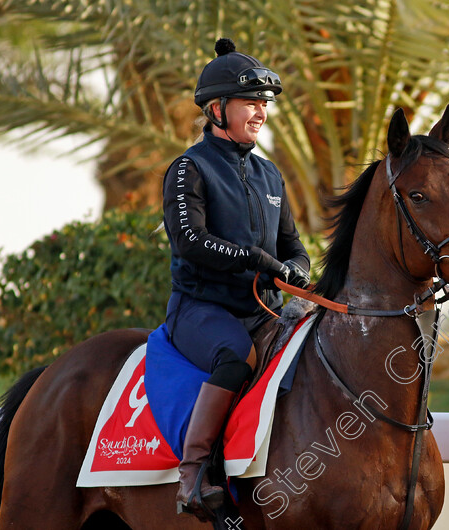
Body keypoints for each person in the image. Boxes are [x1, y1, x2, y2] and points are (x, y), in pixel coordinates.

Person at [162, 37, 310, 518]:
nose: (261, 112)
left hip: (262, 309)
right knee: (235, 355)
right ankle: (195, 473)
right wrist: (260, 262)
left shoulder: (270, 175)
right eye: (251, 103)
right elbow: (191, 242)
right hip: (201, 309)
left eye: (263, 104)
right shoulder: (188, 168)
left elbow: (294, 248)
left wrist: (298, 271)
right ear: (217, 109)